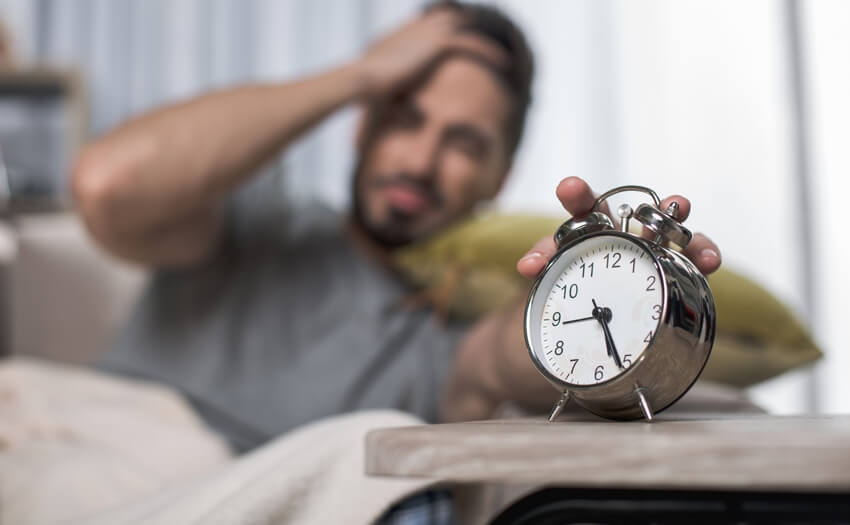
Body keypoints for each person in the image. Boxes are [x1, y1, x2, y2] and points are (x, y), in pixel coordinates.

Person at [73, 2, 721, 456]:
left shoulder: (450, 329)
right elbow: (108, 186)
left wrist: (625, 290)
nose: (419, 160)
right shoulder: (250, 223)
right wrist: (357, 75)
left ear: (502, 175)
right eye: (404, 116)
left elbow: (505, 356)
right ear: (363, 120)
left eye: (463, 142)